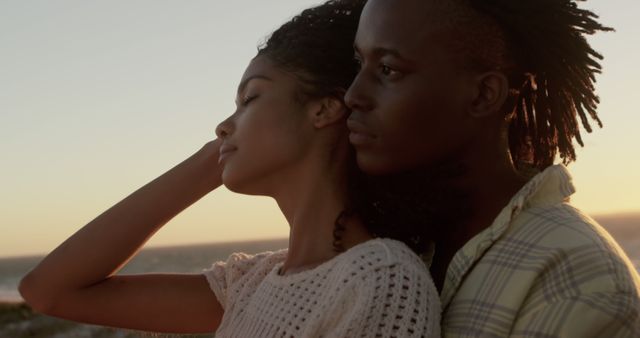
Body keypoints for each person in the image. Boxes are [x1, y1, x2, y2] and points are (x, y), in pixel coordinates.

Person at [19, 1, 441, 337]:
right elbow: (49, 291)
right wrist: (211, 159)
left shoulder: (378, 278)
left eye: (251, 98)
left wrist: (227, 150)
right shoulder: (250, 285)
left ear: (326, 108)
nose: (223, 125)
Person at [345, 0, 640, 336]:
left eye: (388, 69)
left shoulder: (578, 280)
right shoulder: (394, 247)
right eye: (359, 63)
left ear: (483, 94)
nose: (353, 95)